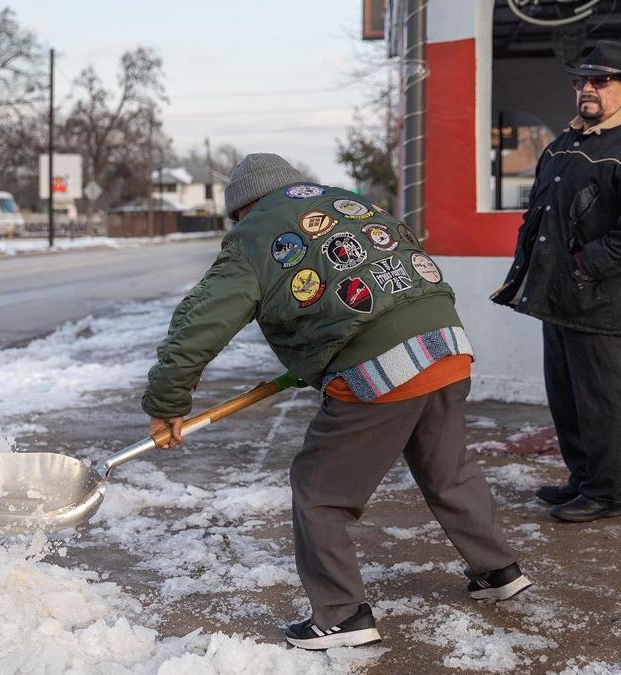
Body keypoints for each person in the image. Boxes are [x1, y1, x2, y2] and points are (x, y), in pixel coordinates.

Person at [143, 154, 530, 651]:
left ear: (244, 209)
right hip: (446, 344)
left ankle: (342, 615)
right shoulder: (348, 203)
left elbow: (198, 325)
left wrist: (167, 400)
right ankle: (498, 570)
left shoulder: (254, 234)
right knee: (447, 467)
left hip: (380, 369)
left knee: (319, 487)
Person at [491, 41, 621, 523]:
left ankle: (606, 494)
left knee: (603, 402)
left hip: (602, 298)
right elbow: (542, 216)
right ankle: (581, 479)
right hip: (556, 296)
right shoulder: (562, 145)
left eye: (600, 80)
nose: (586, 89)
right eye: (580, 81)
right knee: (567, 396)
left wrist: (584, 265)